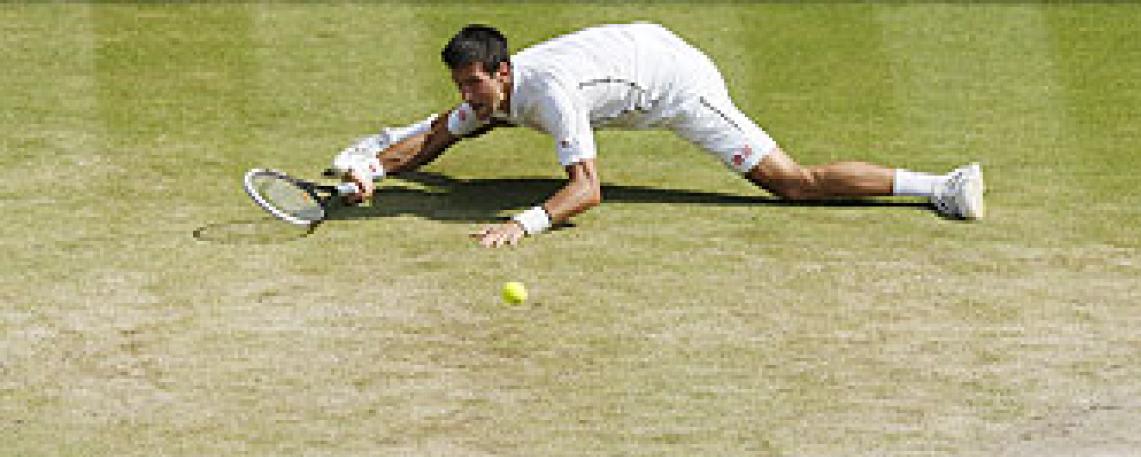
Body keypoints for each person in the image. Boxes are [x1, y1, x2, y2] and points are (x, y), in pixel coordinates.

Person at [332, 23, 985, 247]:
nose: (467, 94)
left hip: (675, 83)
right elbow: (441, 133)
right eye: (462, 84)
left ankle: (942, 186)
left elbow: (587, 190)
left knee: (792, 183)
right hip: (635, 50)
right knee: (462, 129)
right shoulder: (497, 89)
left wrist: (522, 225)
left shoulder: (551, 95)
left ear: (503, 72)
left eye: (473, 83)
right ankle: (374, 155)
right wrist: (374, 170)